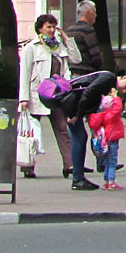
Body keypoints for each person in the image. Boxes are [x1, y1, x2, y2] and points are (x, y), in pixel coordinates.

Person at [40, 69, 126, 190]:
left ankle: (78, 177)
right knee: (79, 138)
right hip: (72, 105)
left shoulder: (107, 81)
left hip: (71, 104)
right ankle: (78, 179)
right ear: (124, 78)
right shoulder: (108, 78)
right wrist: (77, 114)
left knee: (79, 137)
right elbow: (88, 92)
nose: (124, 90)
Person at [17, 14, 82, 180]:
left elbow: (76, 59)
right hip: (36, 94)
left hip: (56, 94)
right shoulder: (32, 47)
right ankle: (28, 165)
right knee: (30, 131)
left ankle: (69, 164)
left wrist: (67, 39)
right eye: (48, 27)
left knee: (62, 128)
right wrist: (23, 99)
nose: (52, 30)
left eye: (54, 27)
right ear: (40, 28)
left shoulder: (58, 47)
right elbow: (24, 74)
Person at [87, 89, 125, 190]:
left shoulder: (103, 115)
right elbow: (118, 107)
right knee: (112, 161)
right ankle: (111, 181)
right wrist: (116, 97)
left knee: (107, 161)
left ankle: (106, 181)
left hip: (106, 140)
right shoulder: (112, 115)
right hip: (113, 138)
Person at [65, 0, 104, 73]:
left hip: (71, 71)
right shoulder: (87, 30)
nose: (96, 15)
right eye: (94, 12)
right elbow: (96, 56)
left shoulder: (69, 30)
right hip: (87, 72)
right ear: (88, 13)